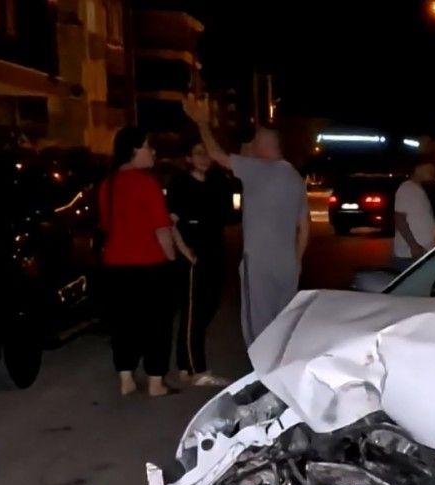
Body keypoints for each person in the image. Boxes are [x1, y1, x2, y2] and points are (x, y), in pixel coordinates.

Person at [183, 96, 309, 346]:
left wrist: (201, 123)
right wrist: (296, 261)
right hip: (287, 265)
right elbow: (304, 226)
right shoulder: (294, 177)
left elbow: (216, 154)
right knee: (283, 326)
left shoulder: (257, 170)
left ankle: (261, 368)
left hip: (259, 264)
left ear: (265, 144)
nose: (250, 145)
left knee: (258, 329)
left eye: (255, 140)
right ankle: (280, 367)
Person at [98, 126, 196, 397]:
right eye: (147, 146)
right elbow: (162, 230)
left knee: (124, 323)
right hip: (149, 264)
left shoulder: (108, 184)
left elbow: (106, 225)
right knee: (157, 324)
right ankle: (155, 381)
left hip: (115, 265)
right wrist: (173, 259)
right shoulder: (147, 183)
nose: (152, 152)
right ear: (133, 150)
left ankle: (126, 377)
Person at [167, 143, 233, 387]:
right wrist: (185, 251)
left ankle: (186, 364)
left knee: (208, 307)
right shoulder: (180, 184)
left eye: (207, 153)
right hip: (193, 253)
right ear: (188, 157)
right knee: (193, 311)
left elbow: (227, 215)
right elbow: (171, 223)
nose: (204, 158)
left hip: (215, 250)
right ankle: (197, 369)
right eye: (198, 153)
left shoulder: (218, 182)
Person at [392, 161, 435, 272]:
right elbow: (400, 219)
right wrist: (413, 245)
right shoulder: (406, 188)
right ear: (417, 169)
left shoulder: (417, 189)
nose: (433, 172)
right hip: (410, 255)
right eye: (429, 169)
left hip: (421, 253)